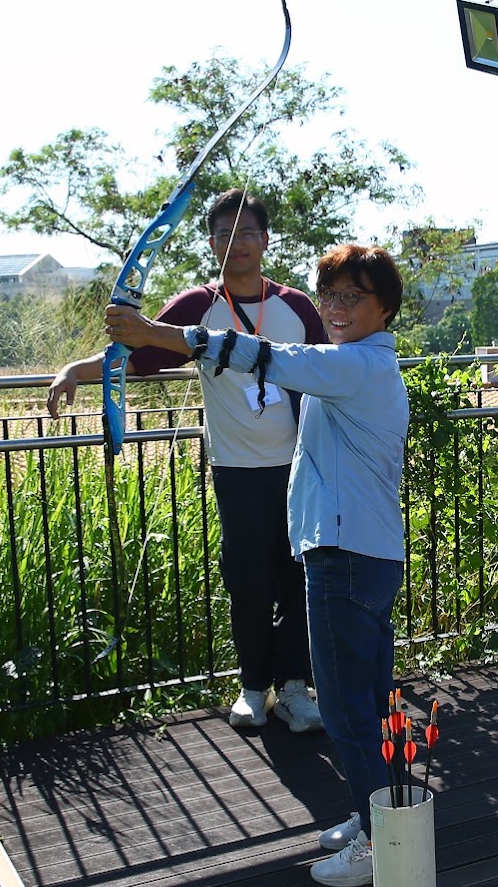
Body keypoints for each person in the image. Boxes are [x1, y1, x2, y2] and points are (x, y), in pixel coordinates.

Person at [104, 243, 408, 887]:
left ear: (385, 306)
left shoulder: (355, 365)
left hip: (346, 555)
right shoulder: (368, 366)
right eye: (329, 295)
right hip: (365, 553)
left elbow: (271, 356)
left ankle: (384, 844)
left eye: (352, 296)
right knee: (365, 703)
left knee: (350, 709)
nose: (336, 307)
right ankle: (373, 814)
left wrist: (157, 333)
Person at [48, 191, 326, 734]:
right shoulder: (196, 305)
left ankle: (296, 689)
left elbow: (330, 366)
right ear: (211, 244)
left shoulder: (297, 306)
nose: (237, 244)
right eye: (225, 235)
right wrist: (76, 371)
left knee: (299, 578)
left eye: (247, 233)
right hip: (236, 468)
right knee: (247, 579)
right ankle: (253, 689)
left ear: (266, 241)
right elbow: (137, 351)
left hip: (300, 466)